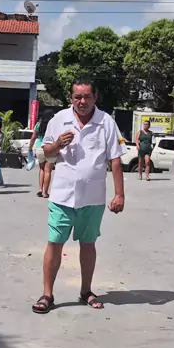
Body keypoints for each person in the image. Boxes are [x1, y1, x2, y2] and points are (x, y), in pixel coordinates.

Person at [32, 81, 126, 314]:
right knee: (54, 243)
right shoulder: (59, 120)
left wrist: (119, 194)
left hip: (93, 198)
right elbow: (45, 153)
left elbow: (115, 159)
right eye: (77, 97)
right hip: (62, 196)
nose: (82, 102)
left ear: (95, 97)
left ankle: (86, 291)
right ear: (71, 98)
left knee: (88, 244)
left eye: (86, 97)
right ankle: (47, 294)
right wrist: (58, 144)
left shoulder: (106, 122)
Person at [28, 110, 54, 198]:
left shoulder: (38, 124)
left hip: (39, 147)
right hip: (51, 148)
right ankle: (45, 192)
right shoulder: (53, 124)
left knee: (42, 169)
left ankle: (40, 189)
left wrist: (30, 148)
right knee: (48, 171)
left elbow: (33, 137)